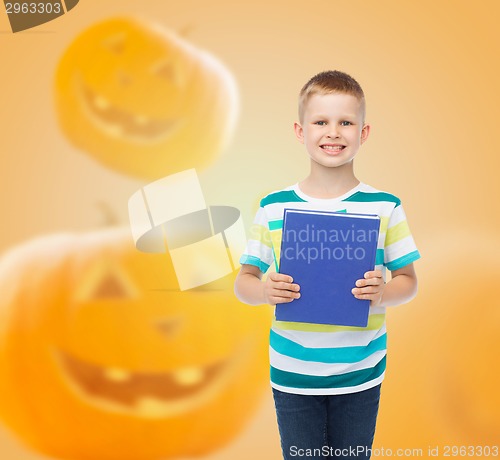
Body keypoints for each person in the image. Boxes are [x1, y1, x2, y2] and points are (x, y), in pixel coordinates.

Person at [234, 70, 420, 459]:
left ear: (363, 132)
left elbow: (408, 280)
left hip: (361, 373)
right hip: (293, 375)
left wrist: (384, 293)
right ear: (301, 132)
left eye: (345, 123)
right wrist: (264, 290)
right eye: (321, 122)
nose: (333, 132)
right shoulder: (274, 206)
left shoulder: (386, 205)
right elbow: (244, 281)